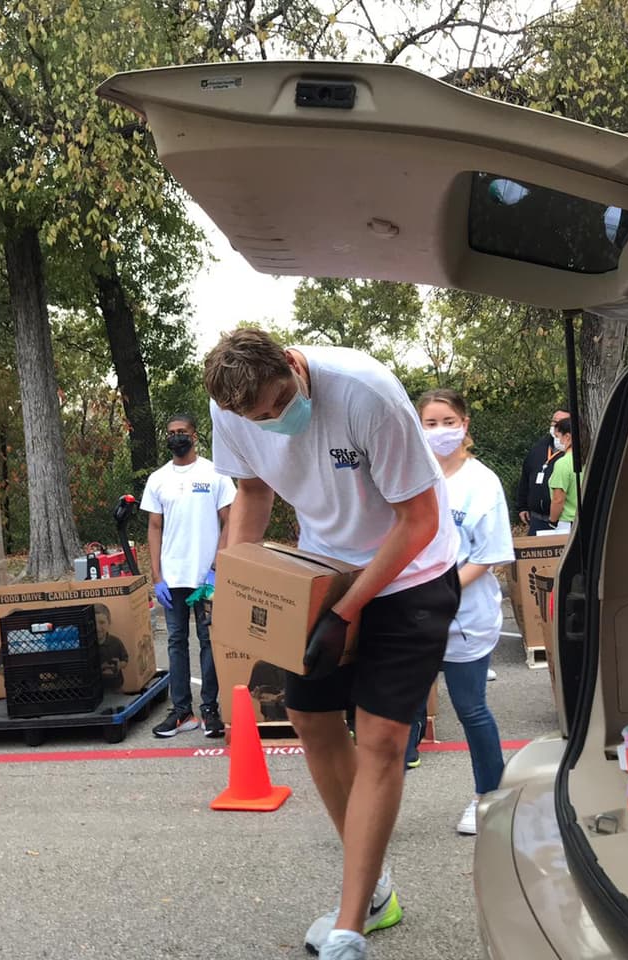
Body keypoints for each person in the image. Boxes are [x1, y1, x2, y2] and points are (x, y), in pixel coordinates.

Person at [204, 329, 459, 960]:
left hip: (411, 572)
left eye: (277, 402)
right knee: (309, 718)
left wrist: (348, 610)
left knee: (379, 738)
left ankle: (351, 926)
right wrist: (240, 586)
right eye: (257, 417)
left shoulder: (366, 394)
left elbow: (420, 521)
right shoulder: (229, 406)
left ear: (292, 363)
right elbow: (254, 491)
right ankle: (374, 891)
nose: (271, 420)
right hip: (323, 569)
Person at [405, 389, 513, 835]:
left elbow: (487, 557)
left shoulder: (482, 483)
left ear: (465, 425)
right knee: (397, 710)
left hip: (463, 617)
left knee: (470, 708)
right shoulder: (409, 476)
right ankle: (374, 803)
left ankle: (490, 795)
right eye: (429, 423)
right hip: (410, 615)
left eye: (447, 421)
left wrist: (441, 591)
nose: (439, 431)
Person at [141, 413, 235, 738]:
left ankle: (210, 710)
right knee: (176, 642)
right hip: (174, 578)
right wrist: (157, 577)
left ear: (194, 435)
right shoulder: (158, 479)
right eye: (171, 433)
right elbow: (154, 528)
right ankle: (182, 712)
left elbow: (230, 521)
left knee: (209, 641)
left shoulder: (215, 473)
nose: (176, 437)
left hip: (206, 579)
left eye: (182, 432)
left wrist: (215, 568)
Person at [514, 408, 569, 534]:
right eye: (554, 422)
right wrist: (522, 506)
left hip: (563, 522)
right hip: (537, 520)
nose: (556, 426)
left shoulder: (573, 455)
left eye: (561, 422)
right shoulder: (538, 448)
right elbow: (525, 477)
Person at [548, 417, 579, 534]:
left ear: (567, 437)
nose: (557, 441)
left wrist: (552, 521)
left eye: (558, 437)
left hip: (567, 522)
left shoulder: (563, 463)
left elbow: (558, 499)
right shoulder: (588, 459)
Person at [93, 602, 129, 691]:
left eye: (102, 622)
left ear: (109, 623)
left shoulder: (116, 642)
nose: (98, 628)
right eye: (94, 623)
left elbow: (125, 660)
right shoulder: (87, 645)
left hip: (116, 686)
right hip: (95, 689)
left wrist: (118, 665)